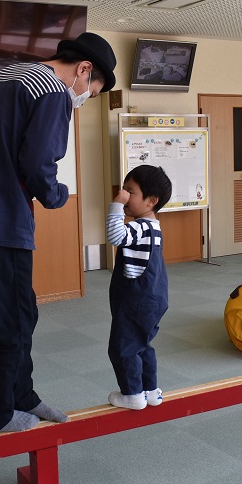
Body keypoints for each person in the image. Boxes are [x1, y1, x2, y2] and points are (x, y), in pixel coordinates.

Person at [0, 32, 117, 435]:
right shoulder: (54, 91)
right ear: (84, 69)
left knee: (22, 310)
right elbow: (38, 163)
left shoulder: (5, 77)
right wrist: (57, 195)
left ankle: (23, 395)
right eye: (92, 91)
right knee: (12, 320)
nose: (84, 98)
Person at [106, 165, 172, 410]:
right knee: (142, 345)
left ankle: (132, 393)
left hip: (136, 299)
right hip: (154, 297)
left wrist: (116, 205)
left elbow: (115, 236)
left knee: (122, 347)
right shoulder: (154, 226)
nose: (123, 195)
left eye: (129, 192)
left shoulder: (140, 227)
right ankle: (150, 390)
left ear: (151, 201)